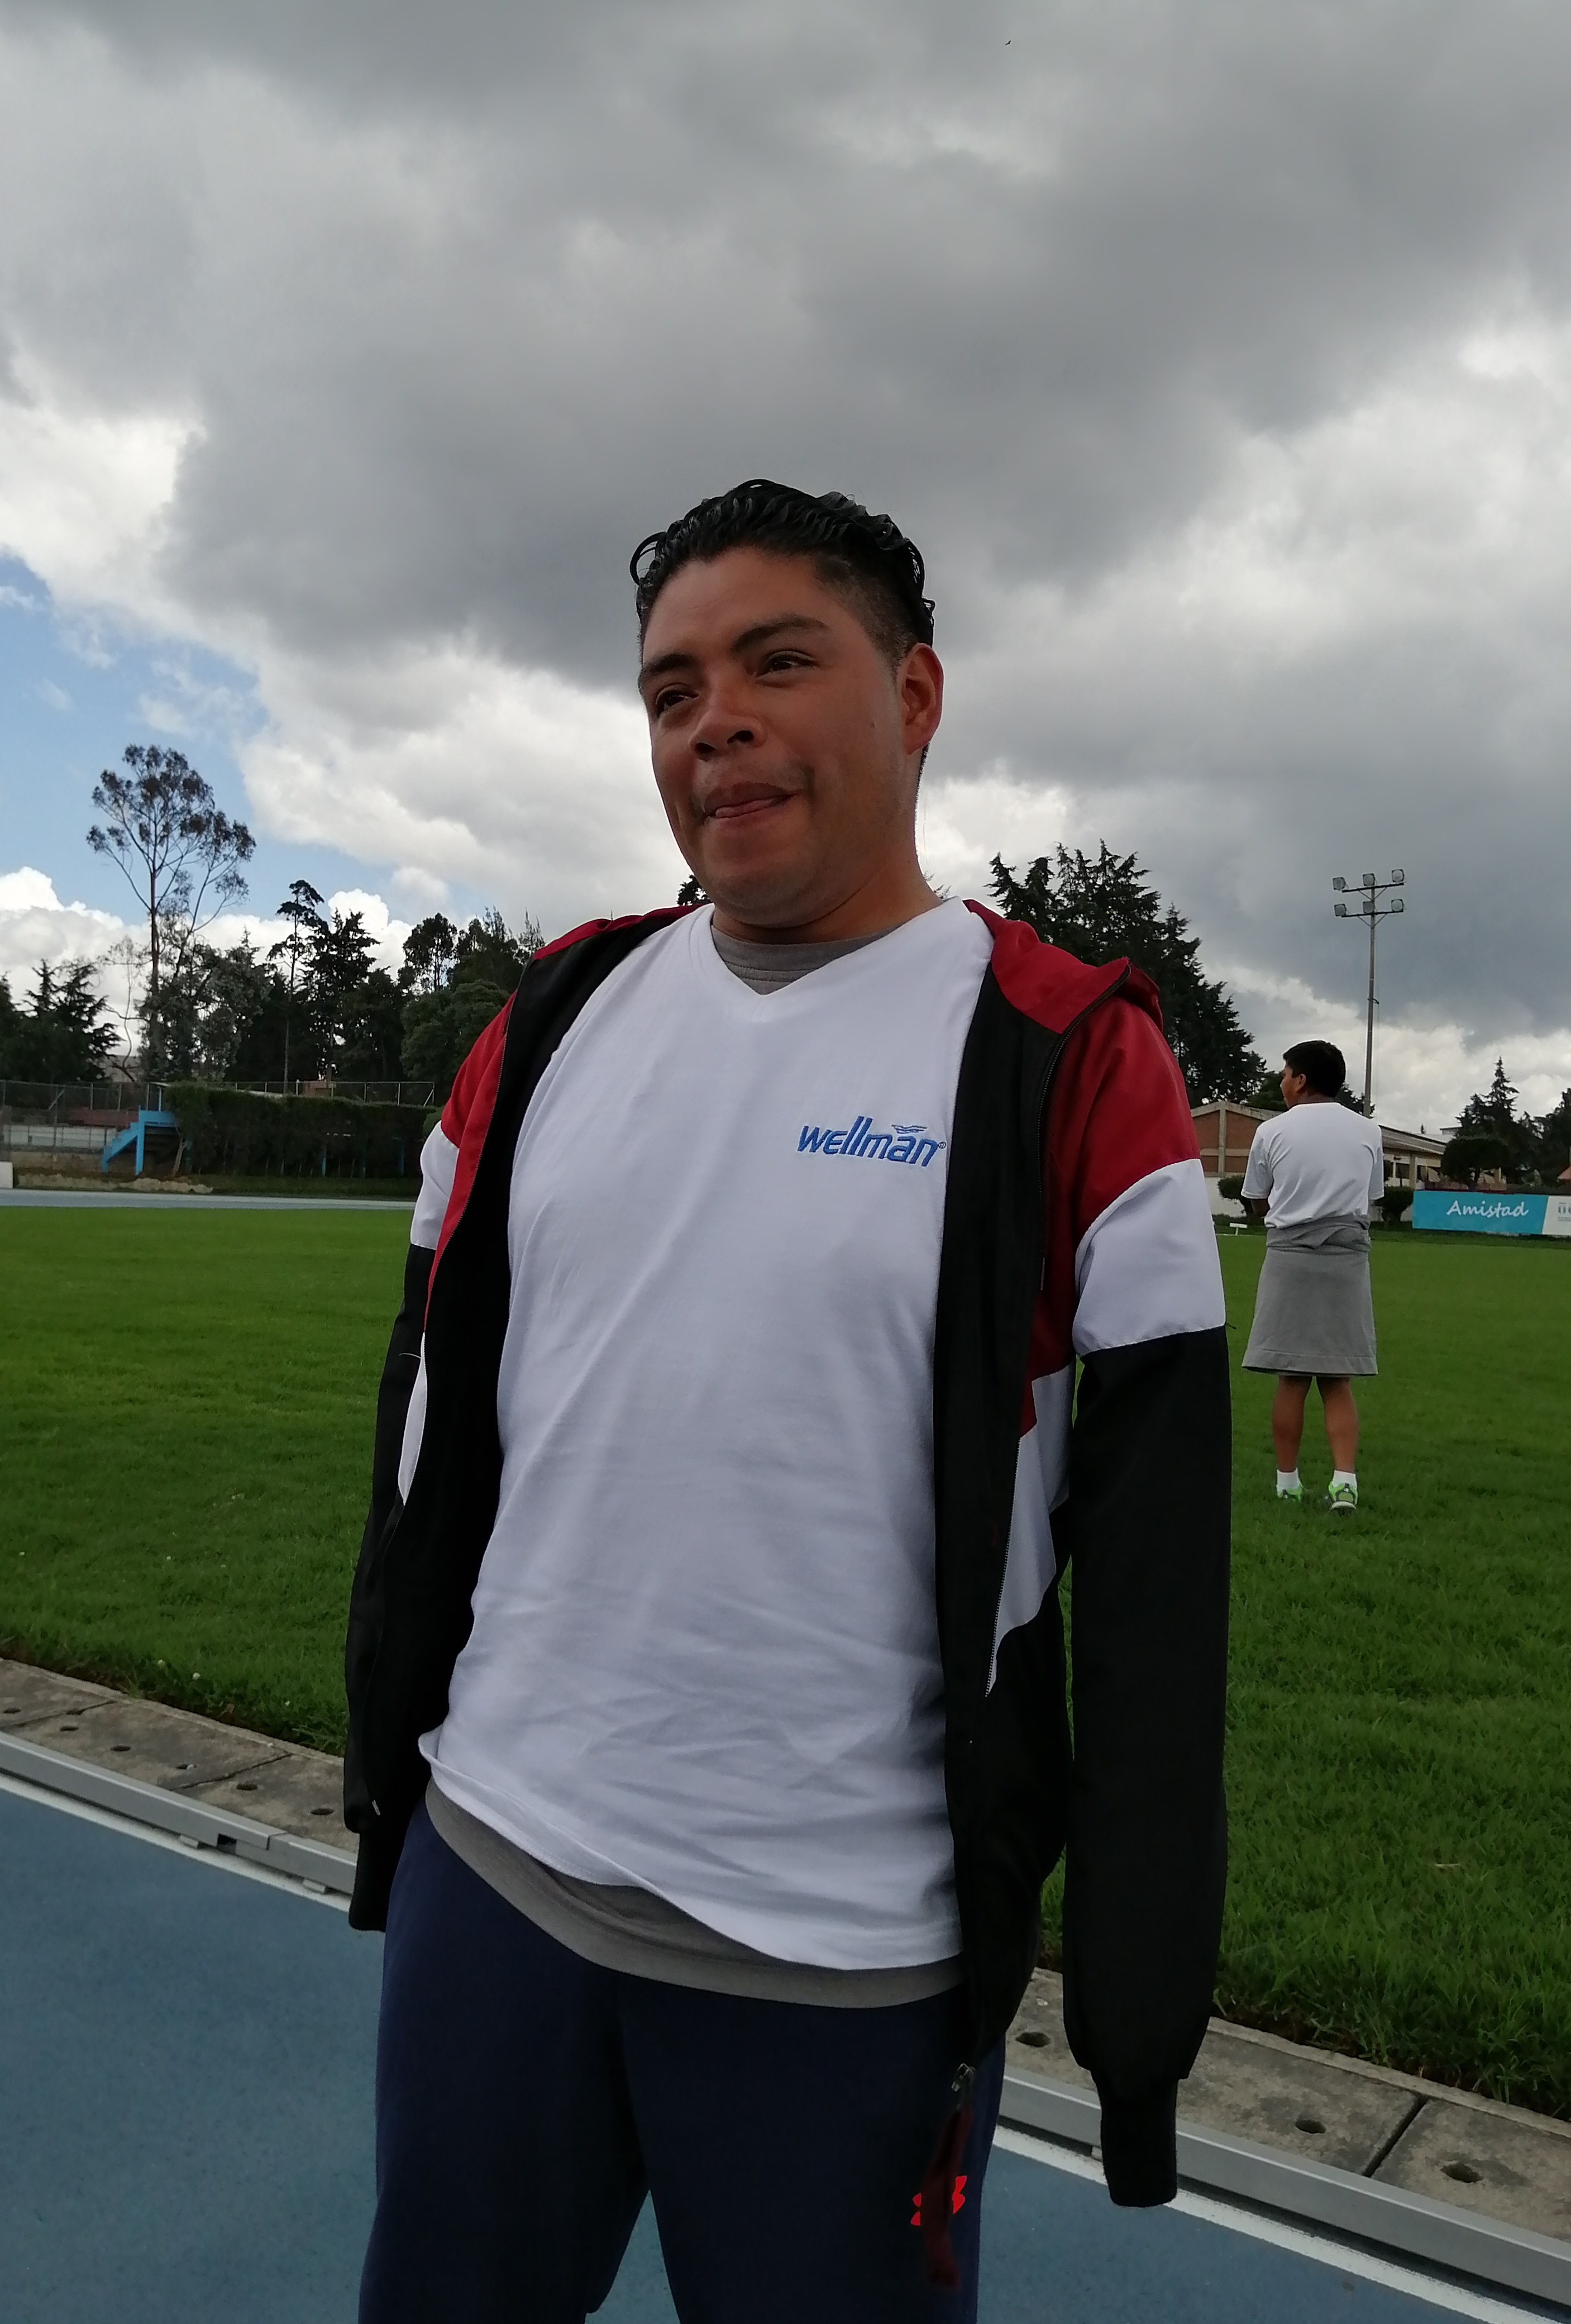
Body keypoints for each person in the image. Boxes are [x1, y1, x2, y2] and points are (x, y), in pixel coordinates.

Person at [343, 480, 1232, 2322]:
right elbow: (418, 1438)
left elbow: (1163, 1605)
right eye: (672, 690)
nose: (714, 722)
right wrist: (390, 1777)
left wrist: (1138, 2016)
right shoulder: (552, 1019)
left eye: (776, 663)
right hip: (492, 1879)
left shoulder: (1065, 1057)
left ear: (914, 697)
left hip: (841, 1968)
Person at [1240, 1040, 1384, 1512]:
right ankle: (1345, 1483)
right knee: (1337, 1379)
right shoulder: (1368, 1131)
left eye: (1285, 1073)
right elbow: (1370, 1197)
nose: (1282, 1081)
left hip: (1290, 1257)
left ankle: (1288, 1483)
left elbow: (1257, 1199)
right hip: (1347, 1259)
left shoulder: (1271, 1131)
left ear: (1301, 1080)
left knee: (1292, 1377)